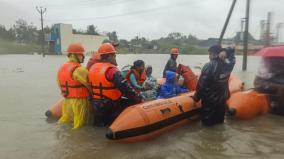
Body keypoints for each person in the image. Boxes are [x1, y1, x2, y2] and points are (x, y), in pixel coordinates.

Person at [88, 43, 142, 127]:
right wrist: (137, 97)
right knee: (111, 125)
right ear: (110, 56)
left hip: (95, 104)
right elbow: (125, 87)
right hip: (109, 105)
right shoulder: (111, 70)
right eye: (114, 55)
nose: (115, 57)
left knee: (99, 126)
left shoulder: (92, 68)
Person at [192, 45, 236, 126]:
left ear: (215, 54)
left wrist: (196, 98)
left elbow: (202, 85)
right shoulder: (229, 65)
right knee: (219, 124)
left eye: (210, 54)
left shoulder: (209, 65)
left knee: (207, 127)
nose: (209, 56)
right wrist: (226, 51)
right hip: (222, 101)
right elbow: (232, 56)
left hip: (210, 102)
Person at [57, 43, 91, 129]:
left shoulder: (61, 68)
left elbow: (59, 84)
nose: (83, 57)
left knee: (66, 121)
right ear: (75, 55)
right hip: (79, 102)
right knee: (78, 126)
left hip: (67, 102)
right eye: (81, 54)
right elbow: (89, 85)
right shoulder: (80, 70)